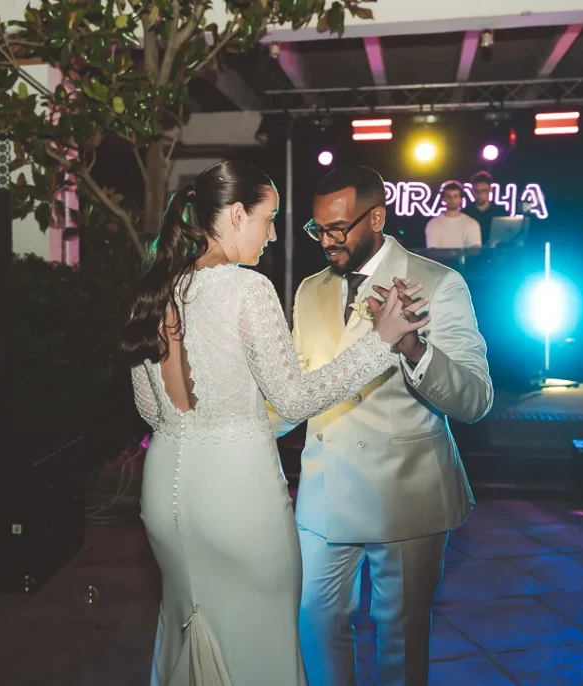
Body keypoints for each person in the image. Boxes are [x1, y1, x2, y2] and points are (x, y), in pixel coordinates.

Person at [120, 160, 429, 686]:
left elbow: (151, 411)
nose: (272, 234)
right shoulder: (247, 290)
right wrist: (382, 341)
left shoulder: (154, 290)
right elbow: (295, 398)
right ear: (237, 215)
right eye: (269, 218)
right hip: (237, 495)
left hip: (164, 492)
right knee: (260, 650)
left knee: (185, 629)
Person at [277, 164, 493, 686]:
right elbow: (302, 386)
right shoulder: (309, 291)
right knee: (314, 617)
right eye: (317, 229)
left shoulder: (438, 283)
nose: (326, 241)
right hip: (326, 489)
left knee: (399, 631)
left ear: (376, 218)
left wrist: (412, 347)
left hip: (405, 490)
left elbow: (476, 398)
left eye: (338, 228)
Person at [424, 180, 483, 250]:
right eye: (448, 196)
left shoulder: (472, 224)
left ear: (461, 199)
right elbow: (432, 252)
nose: (452, 199)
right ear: (444, 199)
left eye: (455, 196)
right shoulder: (433, 224)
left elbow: (475, 251)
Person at [463, 170, 509, 245]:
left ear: (491, 190)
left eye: (483, 191)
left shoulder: (501, 213)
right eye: (476, 191)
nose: (479, 194)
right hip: (471, 255)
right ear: (472, 191)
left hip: (495, 255)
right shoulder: (465, 214)